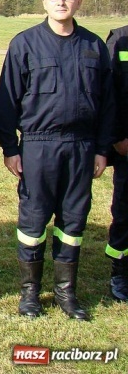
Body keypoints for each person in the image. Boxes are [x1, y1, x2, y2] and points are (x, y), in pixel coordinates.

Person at [0, 0, 114, 320]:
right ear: (44, 2)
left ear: (78, 2)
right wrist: (10, 148)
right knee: (33, 220)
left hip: (81, 146)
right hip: (38, 145)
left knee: (73, 220)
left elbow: (108, 105)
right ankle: (30, 294)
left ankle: (66, 293)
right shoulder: (25, 44)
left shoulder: (94, 46)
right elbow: (7, 101)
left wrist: (102, 149)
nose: (62, 2)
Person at [106, 24, 128, 303]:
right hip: (127, 146)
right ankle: (121, 271)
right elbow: (109, 91)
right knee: (125, 211)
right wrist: (117, 137)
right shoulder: (121, 40)